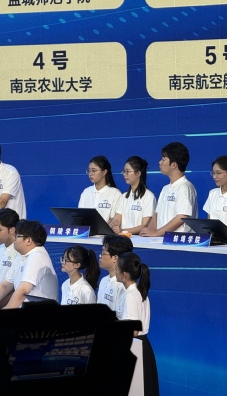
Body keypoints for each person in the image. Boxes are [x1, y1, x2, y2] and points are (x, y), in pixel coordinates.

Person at [0, 220, 58, 312]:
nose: (14, 238)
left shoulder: (37, 257)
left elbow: (23, 290)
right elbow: (4, 286)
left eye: (17, 236)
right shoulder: (20, 256)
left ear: (28, 240)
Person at [116, 252, 159, 396]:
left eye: (116, 268)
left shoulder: (131, 296)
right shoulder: (139, 292)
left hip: (135, 348)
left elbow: (133, 330)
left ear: (124, 274)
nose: (114, 271)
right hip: (141, 346)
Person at [140, 142, 198, 236]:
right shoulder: (165, 188)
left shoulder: (185, 187)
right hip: (161, 240)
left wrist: (157, 232)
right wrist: (149, 231)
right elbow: (156, 214)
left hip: (178, 241)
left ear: (174, 165)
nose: (160, 162)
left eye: (163, 159)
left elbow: (182, 217)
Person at [111, 156, 157, 234]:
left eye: (128, 171)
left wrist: (123, 231)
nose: (124, 174)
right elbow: (117, 218)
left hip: (140, 239)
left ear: (138, 173)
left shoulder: (148, 196)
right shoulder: (123, 196)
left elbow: (145, 225)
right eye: (124, 171)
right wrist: (114, 223)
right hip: (123, 238)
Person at [79, 155, 122, 224]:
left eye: (94, 170)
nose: (90, 174)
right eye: (89, 171)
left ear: (104, 172)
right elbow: (80, 216)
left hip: (106, 230)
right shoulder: (86, 192)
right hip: (87, 230)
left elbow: (114, 219)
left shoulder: (115, 193)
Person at [97, 234, 134, 313]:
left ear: (115, 258)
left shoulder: (123, 286)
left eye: (103, 252)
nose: (100, 255)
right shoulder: (103, 281)